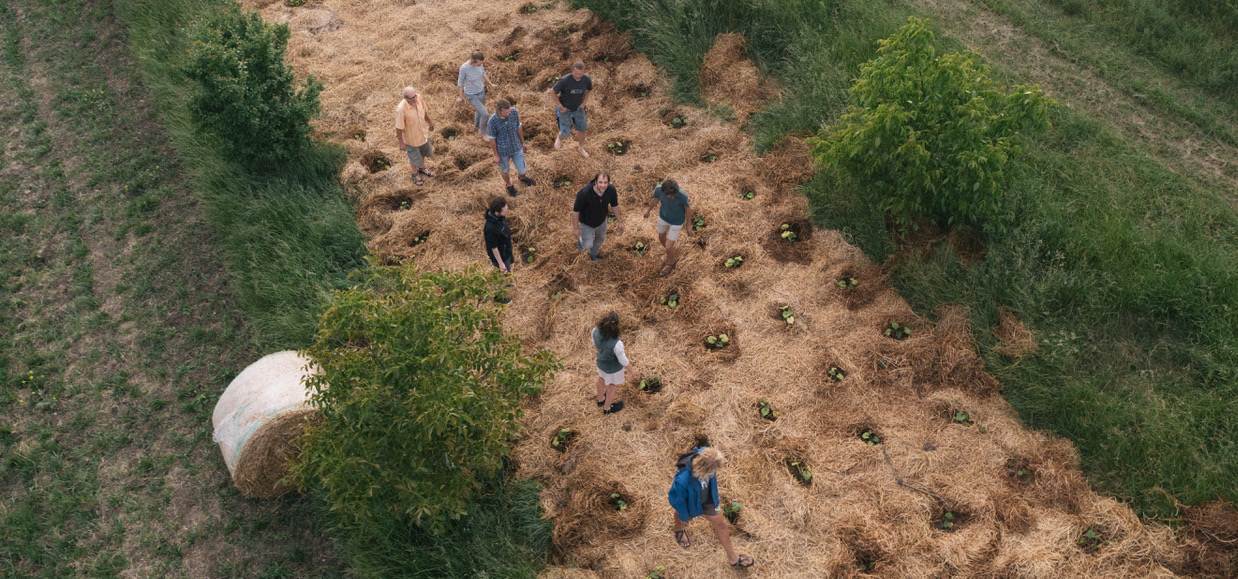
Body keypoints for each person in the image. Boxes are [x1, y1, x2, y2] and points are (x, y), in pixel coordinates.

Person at [667, 446, 755, 568]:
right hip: (690, 503)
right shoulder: (682, 480)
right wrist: (684, 515)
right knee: (681, 517)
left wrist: (715, 501)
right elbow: (677, 501)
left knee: (721, 525)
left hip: (707, 500)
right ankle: (679, 531)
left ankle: (733, 559)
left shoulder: (706, 455)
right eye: (713, 470)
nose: (715, 472)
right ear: (704, 469)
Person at [485, 99, 537, 196]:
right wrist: (496, 155)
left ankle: (522, 177)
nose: (509, 113)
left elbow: (518, 127)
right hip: (503, 151)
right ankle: (509, 185)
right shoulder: (492, 121)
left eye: (510, 110)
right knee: (505, 170)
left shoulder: (514, 112)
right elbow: (492, 139)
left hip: (516, 146)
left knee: (522, 169)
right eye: (507, 112)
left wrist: (523, 143)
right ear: (500, 110)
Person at [643, 178, 693, 276]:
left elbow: (688, 209)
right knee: (661, 237)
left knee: (668, 246)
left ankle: (670, 262)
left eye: (673, 194)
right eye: (669, 195)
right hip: (663, 217)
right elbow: (655, 199)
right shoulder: (659, 189)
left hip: (677, 222)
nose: (671, 197)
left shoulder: (682, 195)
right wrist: (648, 211)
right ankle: (671, 253)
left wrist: (688, 224)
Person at [572, 173, 620, 261]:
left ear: (608, 183)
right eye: (600, 182)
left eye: (606, 183)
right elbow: (575, 211)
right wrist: (576, 228)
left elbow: (615, 206)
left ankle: (593, 255)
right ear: (595, 182)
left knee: (600, 239)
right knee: (587, 245)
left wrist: (620, 221)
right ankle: (580, 247)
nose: (603, 185)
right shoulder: (584, 193)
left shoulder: (611, 190)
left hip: (602, 221)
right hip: (587, 223)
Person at [550, 61, 593, 157]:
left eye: (580, 74)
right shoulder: (564, 80)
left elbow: (588, 91)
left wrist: (584, 103)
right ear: (572, 71)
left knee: (582, 129)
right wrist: (560, 106)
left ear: (584, 72)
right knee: (566, 132)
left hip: (578, 108)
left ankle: (581, 148)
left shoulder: (586, 80)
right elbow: (552, 92)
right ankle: (559, 137)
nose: (578, 76)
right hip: (565, 109)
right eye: (576, 73)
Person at [395, 86, 435, 185]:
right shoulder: (401, 109)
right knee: (414, 157)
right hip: (411, 139)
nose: (414, 99)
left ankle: (422, 168)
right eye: (412, 98)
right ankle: (415, 174)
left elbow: (425, 112)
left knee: (423, 153)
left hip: (423, 134)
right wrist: (401, 142)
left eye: (415, 96)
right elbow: (399, 128)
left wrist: (430, 123)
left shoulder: (419, 98)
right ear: (405, 98)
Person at [591, 311, 629, 414]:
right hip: (613, 369)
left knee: (601, 379)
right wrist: (632, 370)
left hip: (601, 363)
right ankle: (607, 408)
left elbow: (595, 344)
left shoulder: (595, 331)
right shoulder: (617, 344)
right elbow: (623, 361)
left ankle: (600, 400)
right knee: (612, 386)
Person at [457, 51, 491, 135]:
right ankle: (483, 133)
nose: (480, 65)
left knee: (479, 111)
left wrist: (490, 83)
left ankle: (476, 127)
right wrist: (461, 97)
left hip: (481, 91)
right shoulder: (464, 68)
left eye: (481, 64)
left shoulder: (480, 64)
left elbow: (483, 73)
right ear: (473, 61)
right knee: (485, 114)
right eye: (479, 64)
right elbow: (460, 83)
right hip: (471, 94)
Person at [484, 197, 514, 273]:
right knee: (506, 278)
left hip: (506, 251)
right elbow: (493, 247)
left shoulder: (500, 217)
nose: (507, 208)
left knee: (509, 273)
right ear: (498, 210)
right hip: (501, 257)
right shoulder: (490, 228)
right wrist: (501, 264)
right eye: (505, 207)